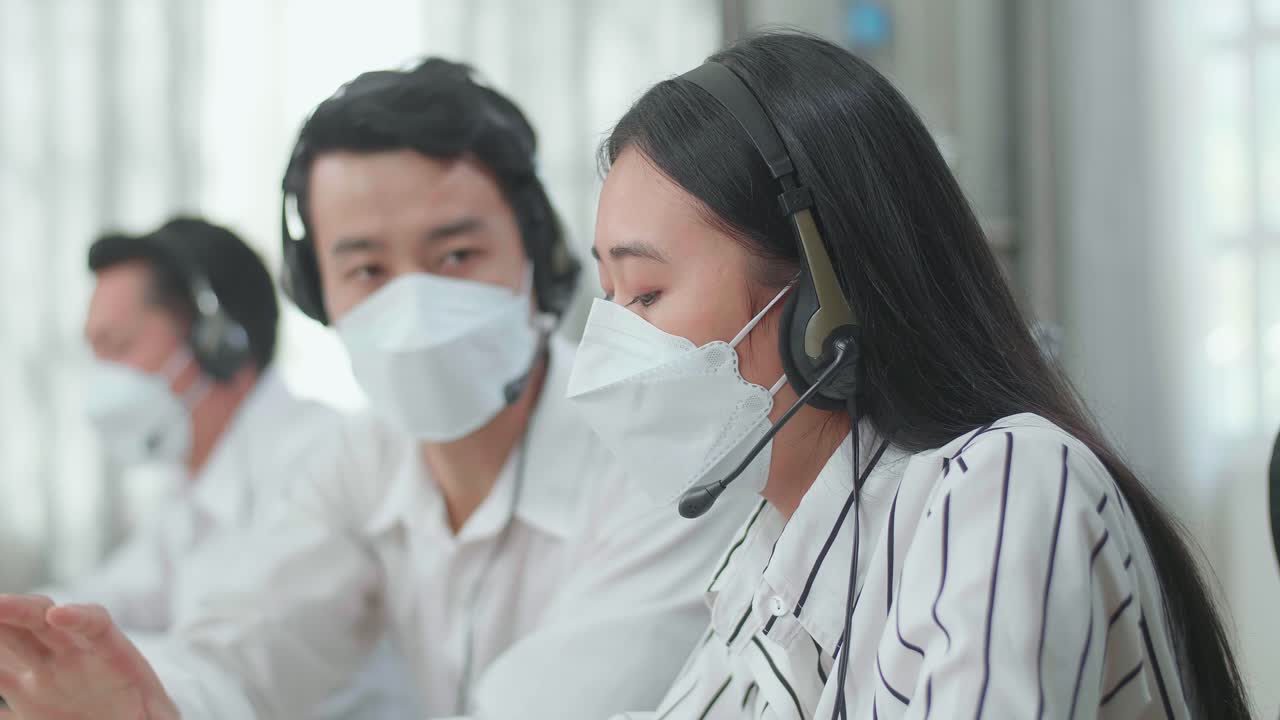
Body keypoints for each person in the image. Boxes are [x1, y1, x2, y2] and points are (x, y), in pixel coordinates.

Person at [0, 59, 752, 720]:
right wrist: (151, 702)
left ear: (538, 255)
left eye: (456, 254)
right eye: (366, 270)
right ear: (318, 296)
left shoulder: (658, 453)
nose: (414, 304)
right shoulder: (364, 460)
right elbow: (244, 647)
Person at [568, 32, 1251, 719]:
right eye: (608, 298)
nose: (613, 342)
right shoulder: (766, 564)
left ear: (821, 307)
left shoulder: (1006, 487)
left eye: (645, 293)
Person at [31, 217, 416, 719]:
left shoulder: (325, 458)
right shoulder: (193, 489)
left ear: (219, 343)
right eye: (97, 354)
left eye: (120, 347)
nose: (103, 381)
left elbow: (239, 656)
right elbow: (102, 604)